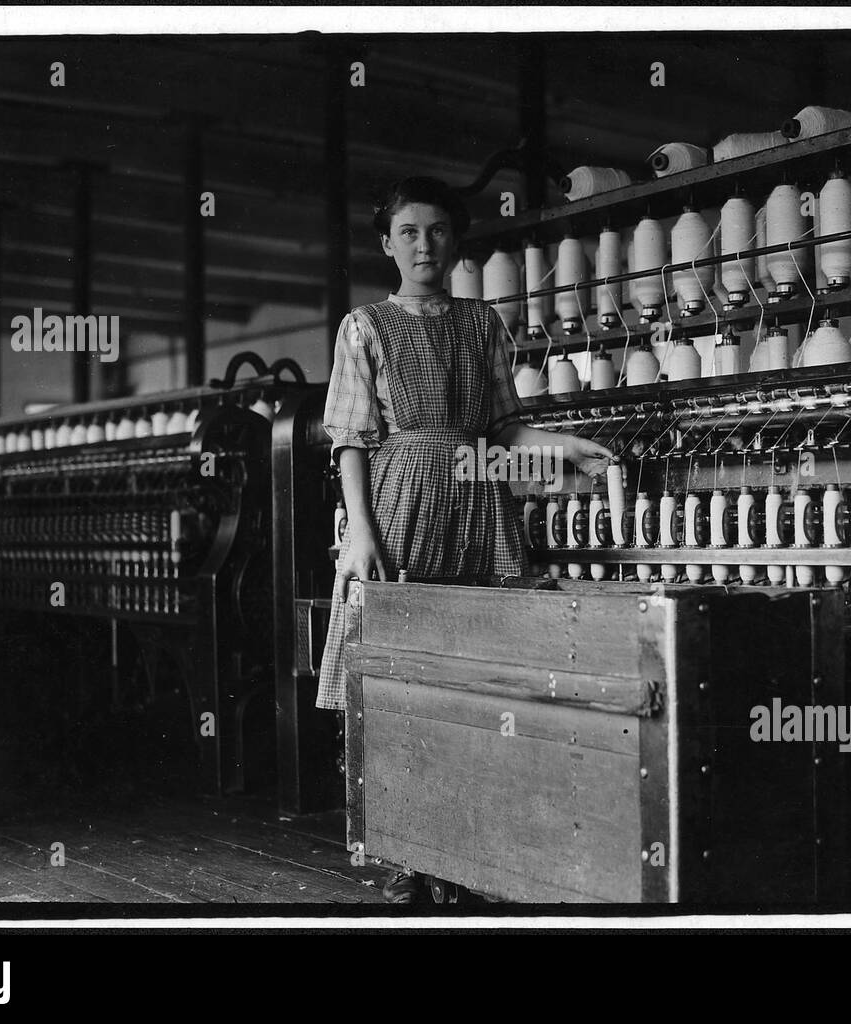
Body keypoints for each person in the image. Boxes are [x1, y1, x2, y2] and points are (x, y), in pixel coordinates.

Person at [315, 176, 613, 903]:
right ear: (388, 244)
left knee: (478, 675)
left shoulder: (484, 323)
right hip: (398, 503)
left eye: (439, 231)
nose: (425, 244)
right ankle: (400, 851)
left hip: (479, 498)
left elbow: (505, 428)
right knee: (393, 677)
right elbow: (351, 440)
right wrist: (358, 535)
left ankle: (473, 845)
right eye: (410, 231)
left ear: (456, 241)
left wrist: (564, 446)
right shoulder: (364, 326)